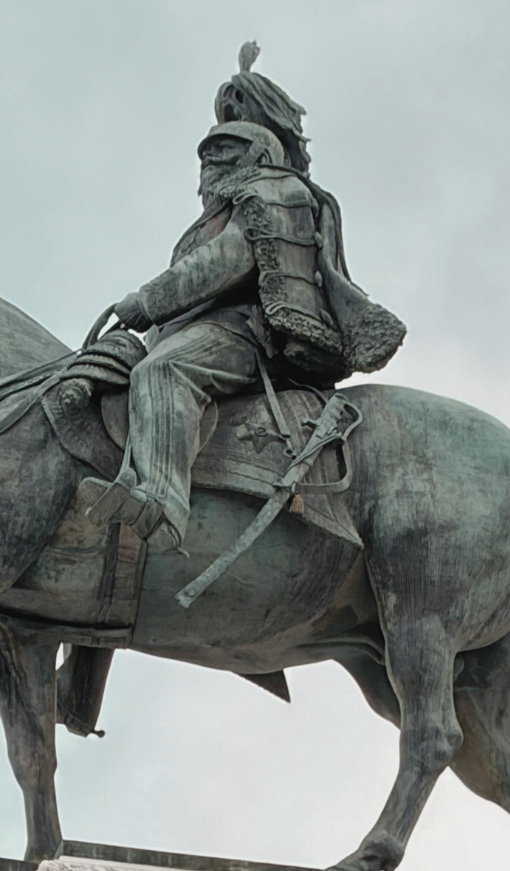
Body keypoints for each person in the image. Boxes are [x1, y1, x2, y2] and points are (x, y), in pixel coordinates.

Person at [98, 47, 404, 553]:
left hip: (245, 335)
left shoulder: (272, 191)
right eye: (207, 154)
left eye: (223, 151)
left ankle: (161, 501)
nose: (209, 163)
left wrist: (146, 301)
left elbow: (226, 261)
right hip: (206, 330)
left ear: (256, 155)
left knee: (163, 371)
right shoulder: (219, 211)